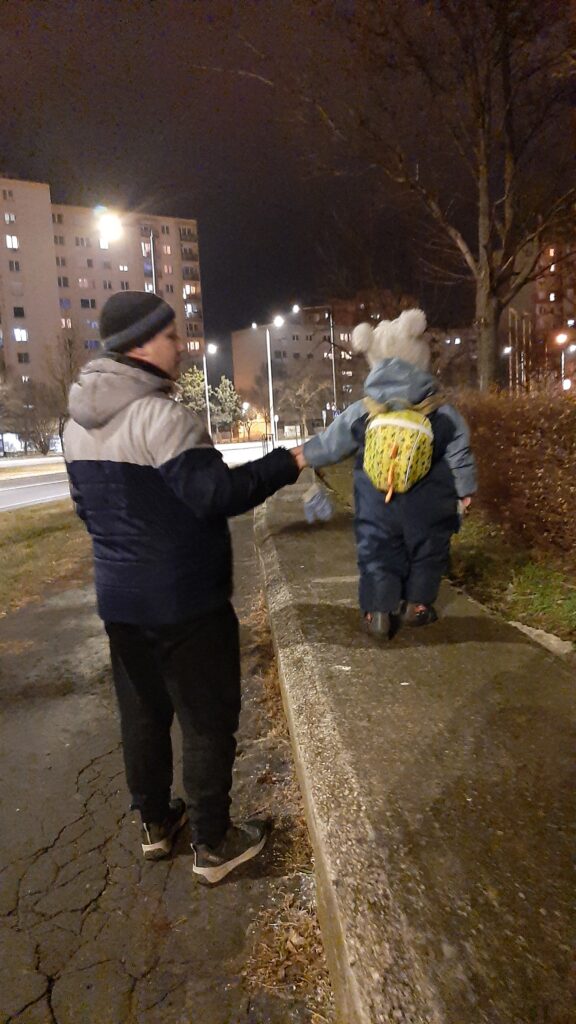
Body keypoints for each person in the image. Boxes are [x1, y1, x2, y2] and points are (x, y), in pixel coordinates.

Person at [63, 291, 300, 883]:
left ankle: (156, 825)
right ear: (140, 343)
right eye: (171, 335)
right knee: (206, 719)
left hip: (120, 602)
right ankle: (213, 843)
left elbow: (86, 511)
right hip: (186, 603)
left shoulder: (74, 425)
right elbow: (219, 494)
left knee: (143, 715)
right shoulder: (162, 418)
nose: (182, 346)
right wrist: (290, 462)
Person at [293, 309, 476, 639]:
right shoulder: (440, 410)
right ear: (420, 357)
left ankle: (377, 613)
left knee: (376, 551)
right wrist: (465, 489)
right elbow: (459, 450)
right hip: (430, 502)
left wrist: (304, 455)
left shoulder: (365, 410)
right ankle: (417, 607)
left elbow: (333, 442)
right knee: (428, 551)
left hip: (377, 500)